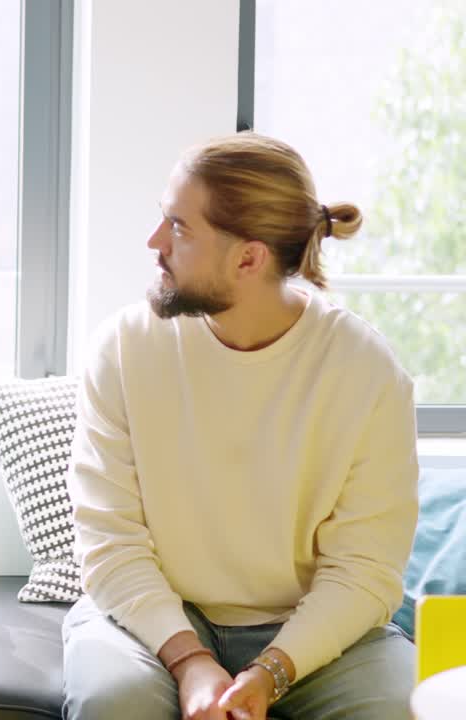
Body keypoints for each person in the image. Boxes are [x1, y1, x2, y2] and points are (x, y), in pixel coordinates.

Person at [61, 132, 419, 720]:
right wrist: (188, 659)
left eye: (178, 227)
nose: (154, 243)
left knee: (400, 706)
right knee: (113, 700)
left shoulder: (367, 372)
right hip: (154, 618)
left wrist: (271, 670)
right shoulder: (125, 348)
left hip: (310, 628)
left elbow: (364, 569)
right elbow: (109, 540)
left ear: (248, 257)